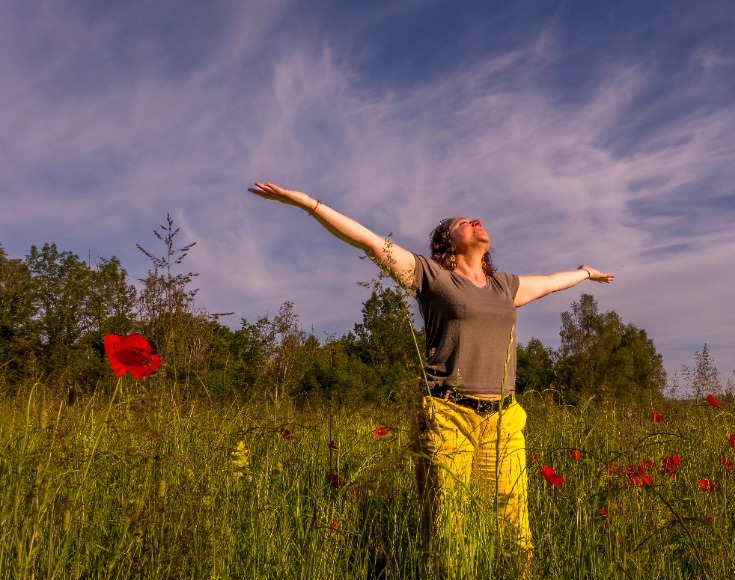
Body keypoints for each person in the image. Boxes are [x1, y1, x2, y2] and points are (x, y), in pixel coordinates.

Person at [248, 182, 613, 559]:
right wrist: (308, 203)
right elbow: (371, 243)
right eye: (462, 223)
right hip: (446, 416)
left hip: (504, 421)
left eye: (475, 220)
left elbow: (552, 283)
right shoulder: (432, 277)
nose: (476, 221)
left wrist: (585, 272)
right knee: (447, 529)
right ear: (446, 243)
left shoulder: (505, 287)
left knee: (515, 526)